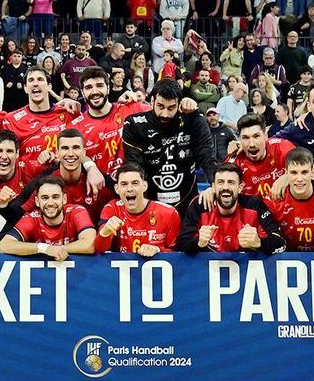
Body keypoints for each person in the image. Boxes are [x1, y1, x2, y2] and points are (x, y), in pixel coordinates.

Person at [122, 80, 214, 211]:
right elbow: (133, 165)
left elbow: (206, 155)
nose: (165, 114)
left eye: (171, 107)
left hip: (187, 198)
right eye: (160, 106)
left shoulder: (192, 118)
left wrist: (215, 183)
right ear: (152, 100)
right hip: (150, 201)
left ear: (179, 104)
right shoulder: (134, 124)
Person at [176, 163, 285, 254]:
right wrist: (198, 242)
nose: (225, 187)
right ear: (213, 187)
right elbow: (181, 247)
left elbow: (281, 244)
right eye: (220, 182)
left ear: (240, 188)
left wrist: (259, 242)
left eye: (231, 182)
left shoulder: (254, 205)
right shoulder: (200, 205)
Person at [70, 67, 150, 177]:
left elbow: (161, 112)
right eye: (88, 87)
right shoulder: (75, 128)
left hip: (135, 188)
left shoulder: (131, 108)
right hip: (101, 192)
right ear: (82, 93)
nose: (95, 92)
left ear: (108, 88)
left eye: (99, 85)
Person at [0, 176, 98, 260]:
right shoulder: (32, 218)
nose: (50, 203)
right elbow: (2, 246)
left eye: (55, 197)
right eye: (45, 198)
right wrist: (45, 249)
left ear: (64, 199)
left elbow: (90, 244)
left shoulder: (77, 211)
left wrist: (56, 249)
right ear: (37, 201)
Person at [94, 163, 181, 256]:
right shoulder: (111, 209)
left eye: (135, 183)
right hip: (122, 269)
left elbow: (179, 254)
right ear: (116, 189)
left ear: (145, 186)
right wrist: (104, 232)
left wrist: (158, 250)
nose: (129, 189)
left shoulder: (169, 213)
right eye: (124, 184)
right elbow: (100, 249)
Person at [224, 114, 296, 199]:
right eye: (245, 138)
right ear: (240, 140)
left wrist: (290, 176)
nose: (251, 144)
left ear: (265, 136)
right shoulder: (233, 162)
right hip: (253, 210)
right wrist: (210, 192)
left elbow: (313, 176)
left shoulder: (283, 148)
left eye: (256, 136)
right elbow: (221, 189)